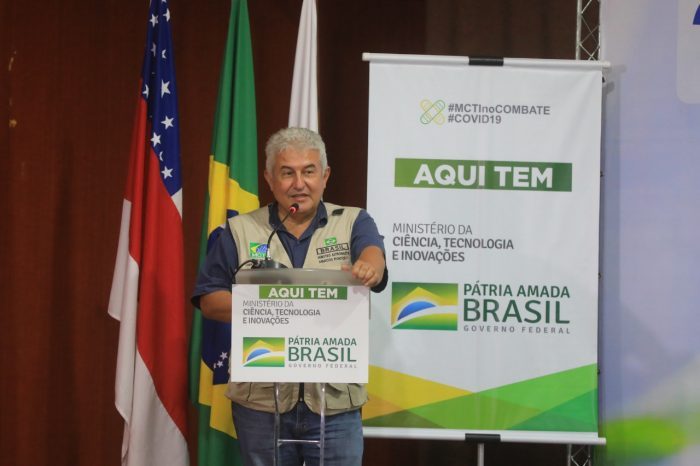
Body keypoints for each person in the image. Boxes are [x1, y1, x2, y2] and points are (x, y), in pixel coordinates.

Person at [192, 127, 388, 466]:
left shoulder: (353, 220)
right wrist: (277, 307)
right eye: (287, 173)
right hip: (262, 404)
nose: (299, 183)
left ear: (325, 176)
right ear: (270, 179)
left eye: (309, 171)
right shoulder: (239, 230)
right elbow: (210, 299)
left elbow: (373, 255)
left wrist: (370, 267)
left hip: (335, 403)